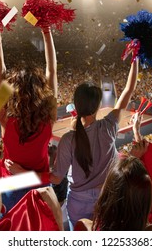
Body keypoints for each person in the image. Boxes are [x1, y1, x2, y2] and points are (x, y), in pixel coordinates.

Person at [50, 57, 139, 229]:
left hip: (78, 202)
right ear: (98, 105)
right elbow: (128, 90)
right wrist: (135, 59)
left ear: (75, 106)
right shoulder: (109, 126)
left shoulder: (68, 139)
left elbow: (56, 178)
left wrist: (29, 172)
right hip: (108, 197)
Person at [0, 27, 57, 208]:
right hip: (40, 185)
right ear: (41, 91)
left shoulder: (4, 117)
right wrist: (46, 30)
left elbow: (0, 72)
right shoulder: (48, 118)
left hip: (10, 184)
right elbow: (51, 70)